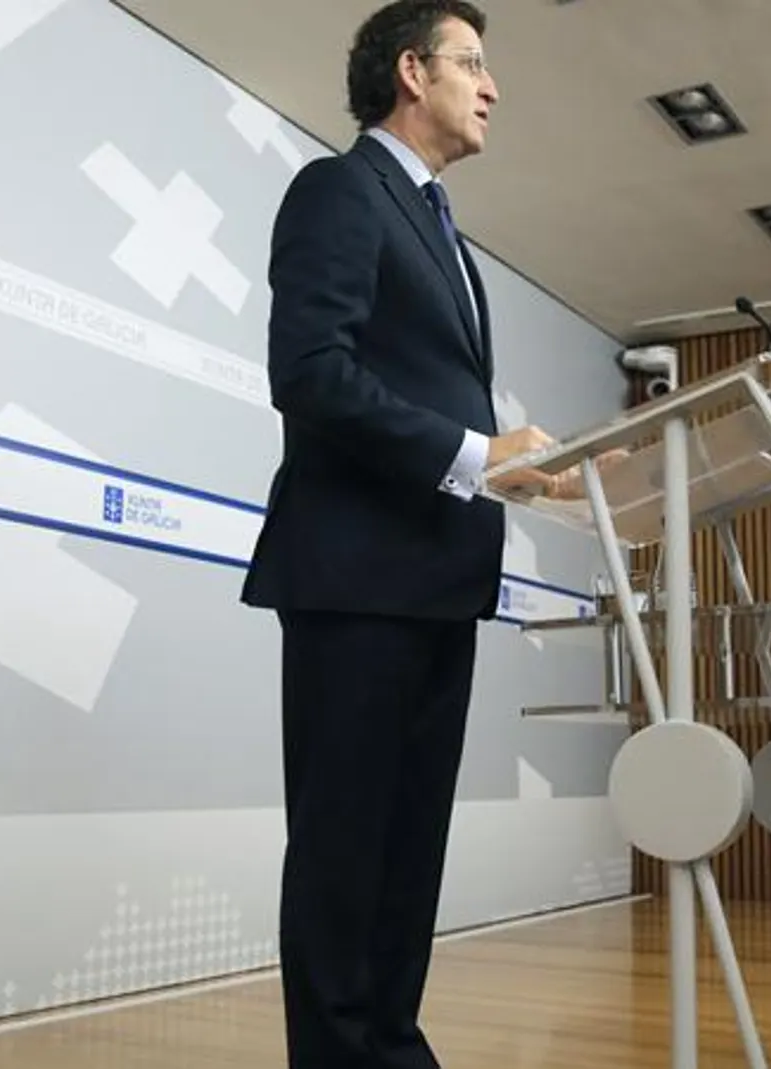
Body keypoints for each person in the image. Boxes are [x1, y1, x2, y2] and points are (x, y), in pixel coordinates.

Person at [240, 4, 584, 1067]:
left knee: (405, 857)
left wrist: (525, 472)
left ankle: (389, 1045)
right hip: (355, 579)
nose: (491, 86)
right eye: (471, 63)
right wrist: (481, 455)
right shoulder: (341, 191)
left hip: (436, 577)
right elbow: (310, 374)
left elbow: (419, 395)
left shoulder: (439, 225)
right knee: (346, 855)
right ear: (409, 72)